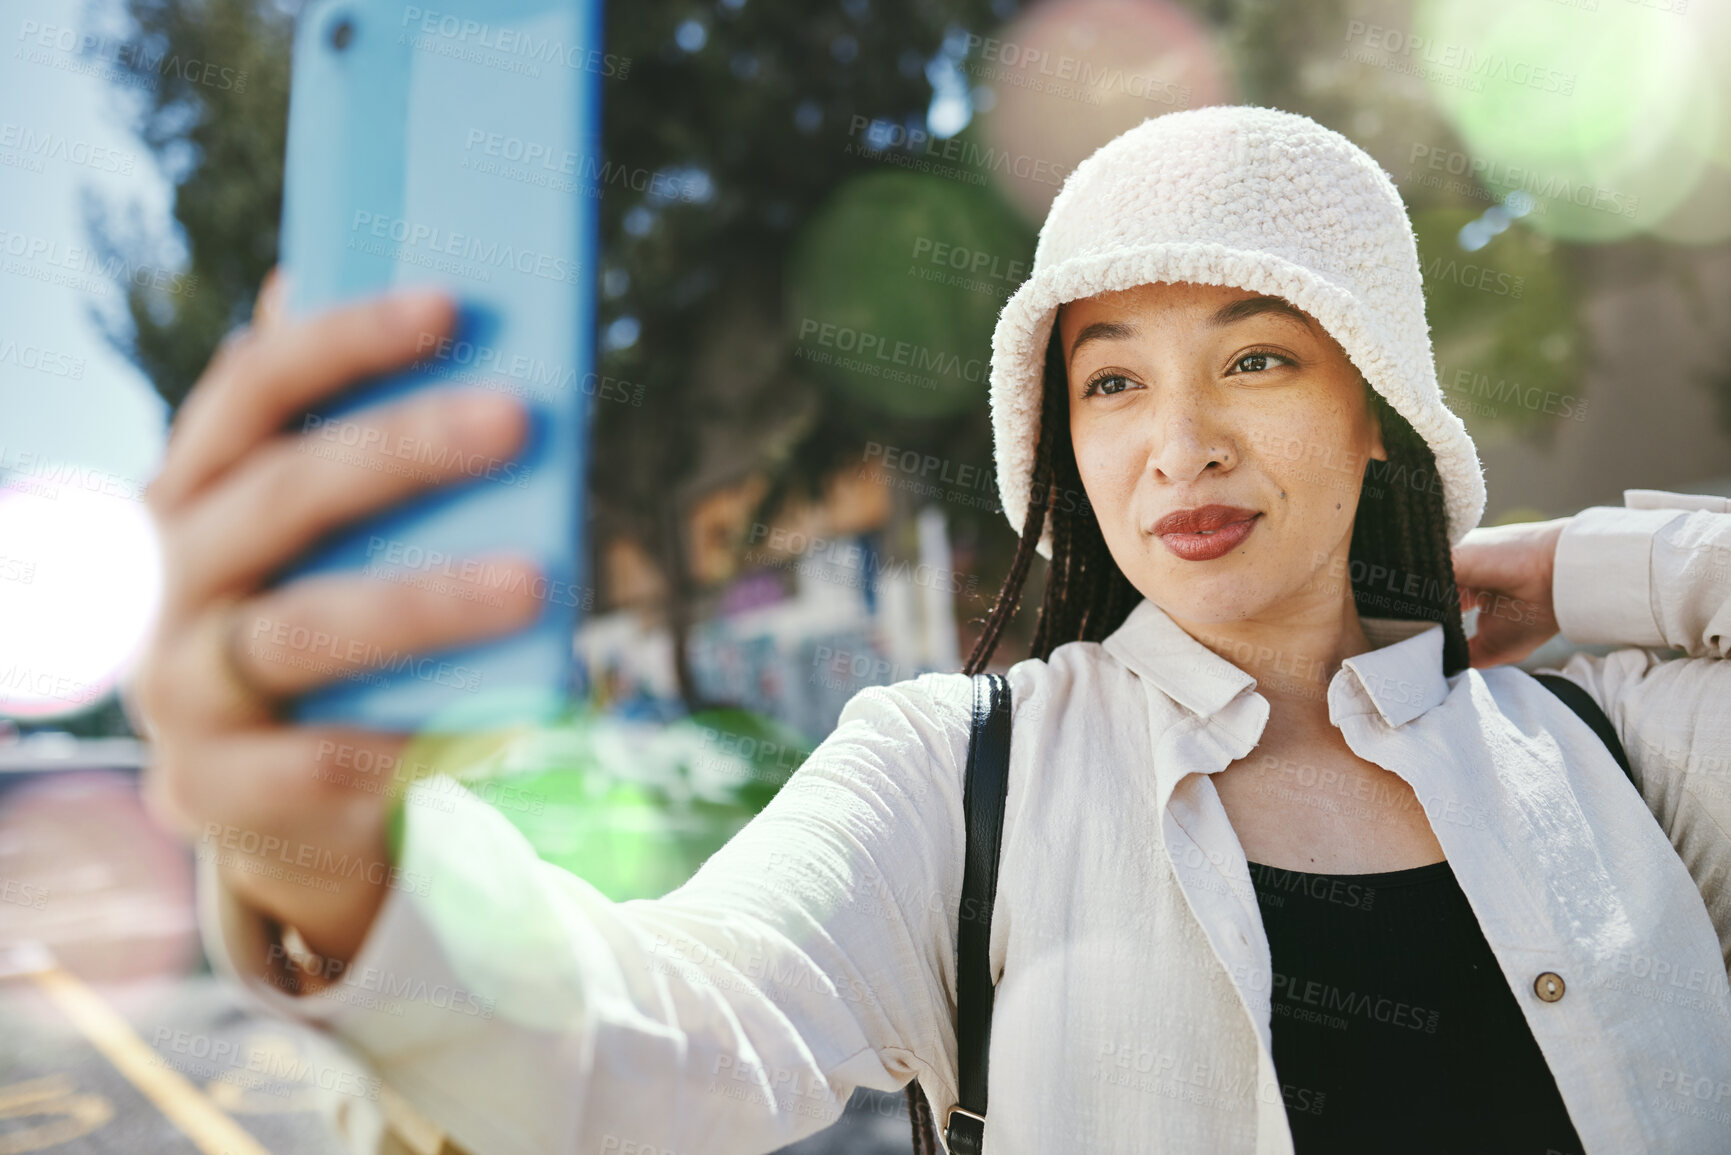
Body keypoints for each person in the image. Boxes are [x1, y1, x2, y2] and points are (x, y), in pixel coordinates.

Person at [126, 105, 1731, 1154]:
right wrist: (336, 864)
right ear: (1061, 436)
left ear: (1375, 408)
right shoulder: (957, 774)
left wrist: (1606, 573)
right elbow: (661, 1035)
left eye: (1255, 361)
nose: (1178, 447)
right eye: (1111, 380)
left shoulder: (1618, 749)